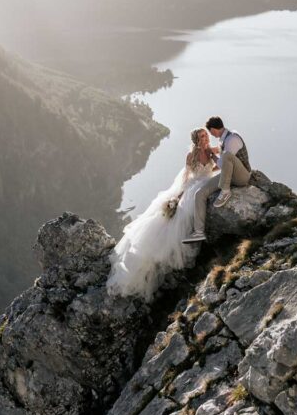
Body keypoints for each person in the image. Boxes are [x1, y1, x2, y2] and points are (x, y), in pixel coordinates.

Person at [107, 127, 217, 301]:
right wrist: (178, 195)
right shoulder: (191, 156)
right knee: (184, 213)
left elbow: (219, 164)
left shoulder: (212, 151)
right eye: (202, 136)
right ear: (197, 140)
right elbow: (186, 177)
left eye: (206, 135)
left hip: (205, 182)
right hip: (194, 185)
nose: (206, 138)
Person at [182, 116, 251, 245]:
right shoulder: (221, 141)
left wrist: (212, 155)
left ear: (213, 130)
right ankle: (198, 232)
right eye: (203, 136)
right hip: (227, 175)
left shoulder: (232, 138)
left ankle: (225, 191)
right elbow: (221, 166)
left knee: (227, 156)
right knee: (199, 194)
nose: (209, 136)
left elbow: (224, 162)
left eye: (208, 133)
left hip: (241, 176)